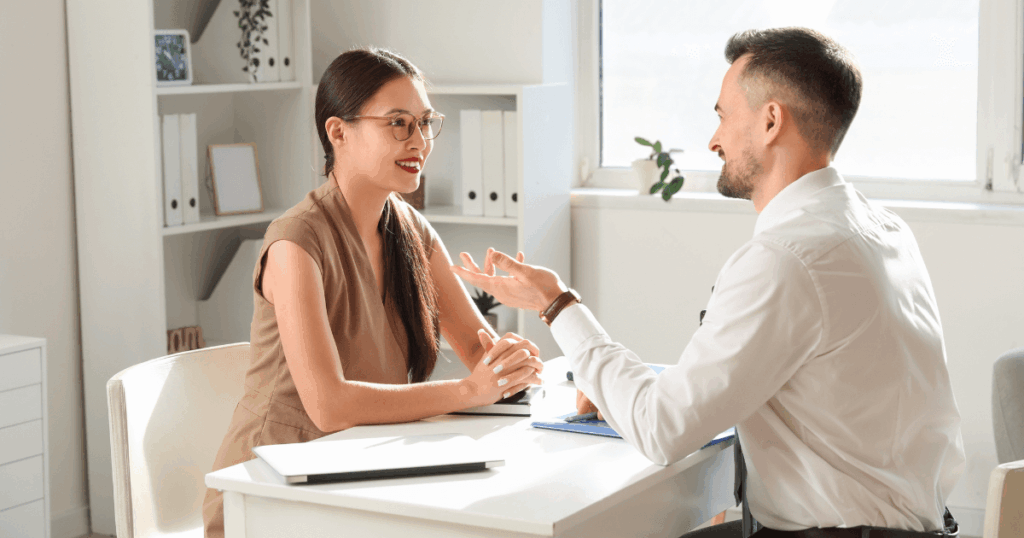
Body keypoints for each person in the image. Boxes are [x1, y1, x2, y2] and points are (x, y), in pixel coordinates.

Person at [453, 28, 965, 538]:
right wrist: (626, 397)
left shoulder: (786, 259)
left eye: (723, 116)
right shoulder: (882, 229)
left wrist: (557, 304)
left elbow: (661, 429)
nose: (714, 140)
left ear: (770, 121)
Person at [202, 47, 543, 538]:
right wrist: (472, 390)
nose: (419, 141)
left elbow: (477, 350)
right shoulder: (295, 243)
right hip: (268, 490)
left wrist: (512, 359)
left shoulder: (411, 230)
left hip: (360, 471)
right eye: (398, 123)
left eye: (425, 123)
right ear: (338, 132)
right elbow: (330, 406)